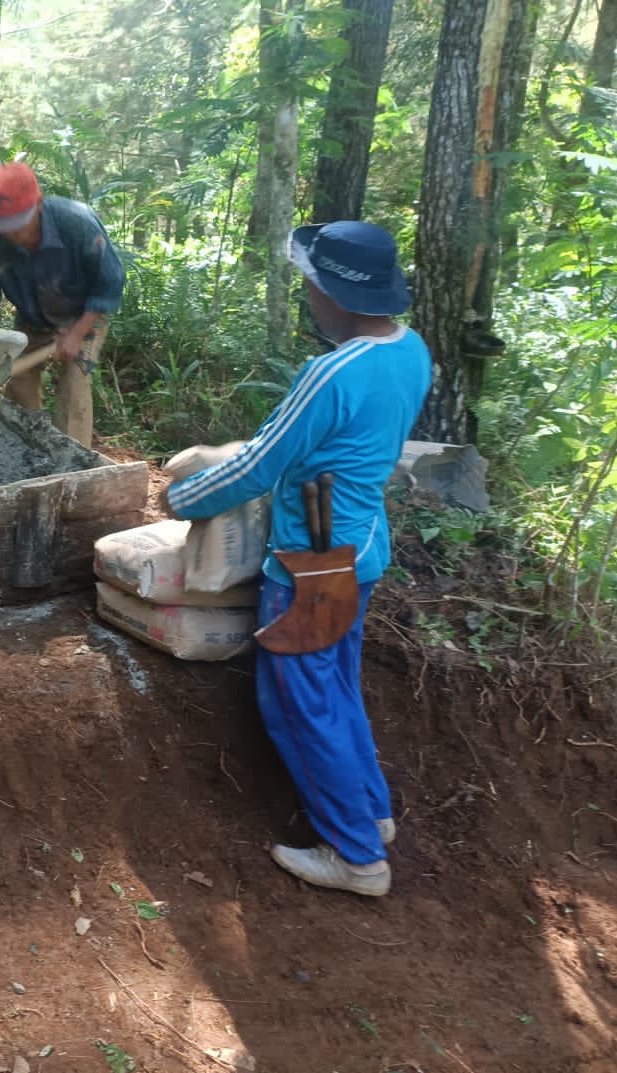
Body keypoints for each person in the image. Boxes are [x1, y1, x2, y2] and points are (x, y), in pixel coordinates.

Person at [164, 221, 430, 898]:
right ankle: (372, 810)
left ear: (333, 293)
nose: (309, 296)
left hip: (311, 560)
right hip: (360, 550)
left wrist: (184, 496)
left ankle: (356, 855)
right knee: (336, 687)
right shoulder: (411, 352)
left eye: (312, 285)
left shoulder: (331, 373)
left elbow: (260, 462)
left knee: (299, 703)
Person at [0, 162, 126, 446]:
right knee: (19, 386)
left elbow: (109, 283)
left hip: (84, 315)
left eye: (17, 223)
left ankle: (71, 465)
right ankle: (22, 448)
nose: (11, 234)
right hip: (32, 316)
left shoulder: (77, 223)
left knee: (74, 385)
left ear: (38, 204)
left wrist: (77, 334)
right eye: (3, 225)